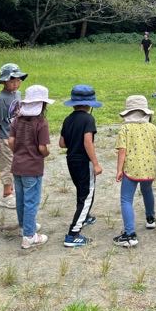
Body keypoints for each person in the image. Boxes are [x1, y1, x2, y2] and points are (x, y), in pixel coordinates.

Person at [113, 95, 156, 248]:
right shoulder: (152, 128)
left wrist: (119, 170)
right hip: (148, 168)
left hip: (131, 169)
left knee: (126, 200)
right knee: (147, 190)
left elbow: (122, 151)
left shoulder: (125, 128)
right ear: (146, 113)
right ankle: (151, 218)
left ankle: (130, 234)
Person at [60, 85, 103, 247]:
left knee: (81, 190)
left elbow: (62, 143)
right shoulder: (88, 119)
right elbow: (88, 142)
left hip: (71, 160)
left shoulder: (68, 119)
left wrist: (73, 140)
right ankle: (73, 234)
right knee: (87, 195)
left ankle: (85, 217)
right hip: (85, 162)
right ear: (89, 104)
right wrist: (96, 163)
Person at [10, 85, 53, 249]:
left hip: (17, 165)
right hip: (33, 168)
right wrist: (45, 153)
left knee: (20, 198)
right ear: (43, 104)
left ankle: (24, 227)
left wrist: (18, 152)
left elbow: (10, 141)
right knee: (31, 201)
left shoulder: (17, 119)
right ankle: (29, 236)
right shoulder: (41, 123)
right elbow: (42, 148)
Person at [0, 63, 28, 210]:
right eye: (12, 81)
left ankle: (14, 191)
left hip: (16, 136)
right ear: (4, 82)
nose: (16, 84)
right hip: (4, 137)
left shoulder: (18, 94)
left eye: (18, 80)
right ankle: (7, 195)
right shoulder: (1, 99)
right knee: (7, 166)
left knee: (17, 163)